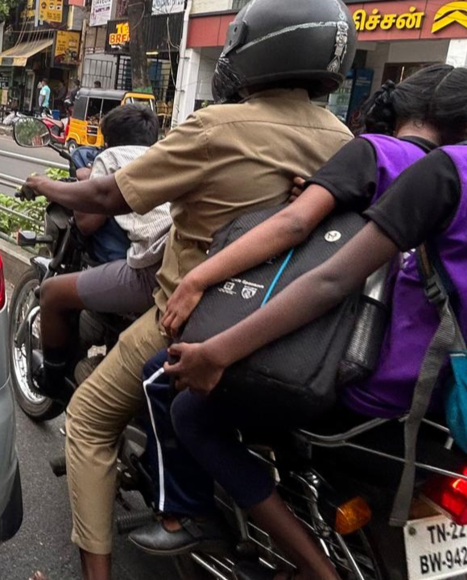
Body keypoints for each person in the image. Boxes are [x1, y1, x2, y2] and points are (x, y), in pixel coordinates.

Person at [164, 24, 467, 580]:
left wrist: (217, 352)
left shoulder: (459, 171)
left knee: (192, 412)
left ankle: (315, 569)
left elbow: (331, 282)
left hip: (388, 395)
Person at [18, 1, 358, 579]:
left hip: (193, 310)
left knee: (90, 424)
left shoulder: (216, 126)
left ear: (252, 49)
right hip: (300, 321)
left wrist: (41, 180)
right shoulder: (345, 136)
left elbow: (106, 199)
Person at [130, 63, 467, 578]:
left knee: (175, 392)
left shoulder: (377, 153)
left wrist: (197, 278)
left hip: (351, 366)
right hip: (437, 384)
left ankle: (240, 537)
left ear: (409, 107)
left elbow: (295, 227)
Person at [35, 104, 171, 403]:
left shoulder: (110, 158)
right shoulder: (166, 159)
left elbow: (87, 221)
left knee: (51, 292)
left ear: (108, 139)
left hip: (153, 270)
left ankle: (53, 381)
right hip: (182, 263)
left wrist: (53, 184)